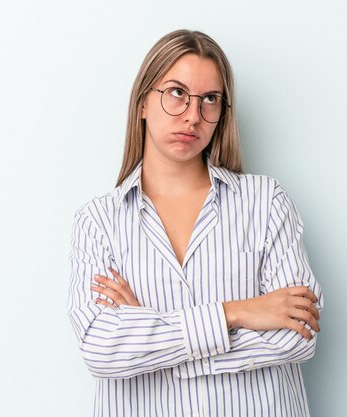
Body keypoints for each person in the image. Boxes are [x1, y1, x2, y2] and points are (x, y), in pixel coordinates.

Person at [68, 29, 323, 417]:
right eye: (176, 93)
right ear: (142, 103)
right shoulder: (98, 222)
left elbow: (297, 336)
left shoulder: (265, 202)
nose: (192, 115)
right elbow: (102, 349)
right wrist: (235, 312)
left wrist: (151, 335)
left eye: (210, 100)